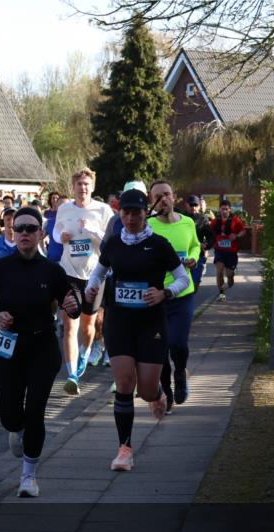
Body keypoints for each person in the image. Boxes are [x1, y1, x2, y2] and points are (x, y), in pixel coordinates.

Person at [0, 208, 80, 497]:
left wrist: (74, 307)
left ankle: (28, 476)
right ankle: (16, 428)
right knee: (10, 415)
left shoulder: (52, 270)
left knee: (35, 410)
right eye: (19, 228)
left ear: (40, 234)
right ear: (11, 231)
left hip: (41, 346)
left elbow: (72, 302)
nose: (23, 233)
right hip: (8, 348)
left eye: (30, 229)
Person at [84, 188, 190, 471]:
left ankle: (156, 393)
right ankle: (125, 450)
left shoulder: (159, 244)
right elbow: (99, 272)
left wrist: (164, 293)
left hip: (151, 323)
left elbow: (183, 278)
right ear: (120, 214)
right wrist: (91, 287)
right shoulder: (114, 243)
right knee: (124, 381)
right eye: (126, 213)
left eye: (136, 213)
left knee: (144, 390)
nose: (131, 218)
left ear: (146, 213)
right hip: (119, 321)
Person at [52, 168, 113, 394]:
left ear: (93, 187)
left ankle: (84, 356)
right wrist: (62, 237)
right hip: (69, 273)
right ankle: (71, 375)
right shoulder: (65, 209)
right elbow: (56, 233)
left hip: (95, 274)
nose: (83, 188)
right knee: (69, 325)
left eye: (86, 184)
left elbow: (108, 241)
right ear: (73, 187)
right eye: (79, 184)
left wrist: (92, 231)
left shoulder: (103, 210)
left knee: (88, 325)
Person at [148, 181, 200, 411]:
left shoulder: (187, 222)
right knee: (159, 349)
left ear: (174, 196)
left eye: (166, 195)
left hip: (182, 294)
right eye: (158, 197)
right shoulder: (147, 226)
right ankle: (166, 392)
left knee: (178, 344)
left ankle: (180, 372)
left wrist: (193, 258)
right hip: (156, 296)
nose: (163, 200)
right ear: (151, 201)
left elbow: (196, 246)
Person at [210, 199, 246, 302]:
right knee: (219, 271)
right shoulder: (215, 221)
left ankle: (231, 277)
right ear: (219, 210)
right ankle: (221, 293)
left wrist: (236, 235)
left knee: (229, 274)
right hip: (219, 250)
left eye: (226, 209)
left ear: (229, 210)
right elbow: (208, 230)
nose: (224, 211)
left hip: (231, 251)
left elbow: (243, 231)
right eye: (222, 209)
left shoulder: (235, 220)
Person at [185, 195, 214, 291]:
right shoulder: (180, 217)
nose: (193, 207)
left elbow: (211, 237)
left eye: (195, 205)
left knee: (195, 282)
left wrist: (206, 245)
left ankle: (191, 298)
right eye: (191, 205)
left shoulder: (203, 219)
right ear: (186, 205)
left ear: (199, 206)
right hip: (183, 255)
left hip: (198, 255)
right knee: (183, 282)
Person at [43, 191, 64, 262]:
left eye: (57, 198)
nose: (55, 200)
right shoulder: (48, 218)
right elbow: (40, 237)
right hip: (52, 257)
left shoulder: (73, 220)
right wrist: (43, 251)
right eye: (53, 198)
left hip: (68, 261)